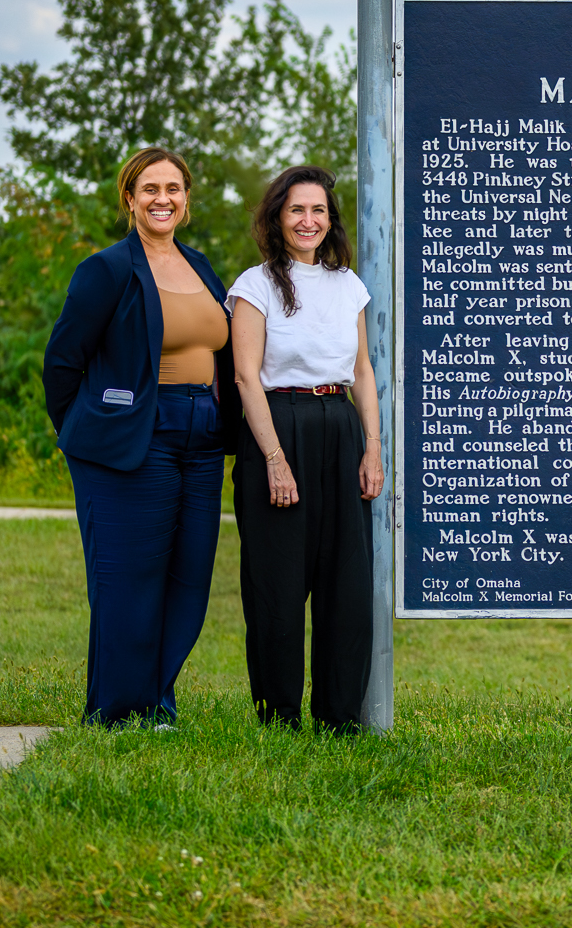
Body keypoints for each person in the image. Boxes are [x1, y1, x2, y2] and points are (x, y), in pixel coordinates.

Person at [43, 147, 237, 727]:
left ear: (187, 199)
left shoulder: (200, 265)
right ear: (129, 199)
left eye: (173, 188)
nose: (162, 199)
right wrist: (89, 434)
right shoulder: (106, 270)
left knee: (188, 578)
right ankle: (117, 713)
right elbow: (62, 363)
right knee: (128, 580)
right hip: (133, 438)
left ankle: (157, 703)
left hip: (202, 437)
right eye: (150, 189)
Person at [227, 166, 385, 731]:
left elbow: (361, 371)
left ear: (330, 219)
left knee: (347, 583)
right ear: (277, 217)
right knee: (278, 583)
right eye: (296, 209)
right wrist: (275, 459)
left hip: (339, 427)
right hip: (278, 426)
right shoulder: (254, 286)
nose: (308, 220)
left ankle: (339, 720)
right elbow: (246, 378)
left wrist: (372, 448)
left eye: (318, 210)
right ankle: (279, 718)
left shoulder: (349, 287)